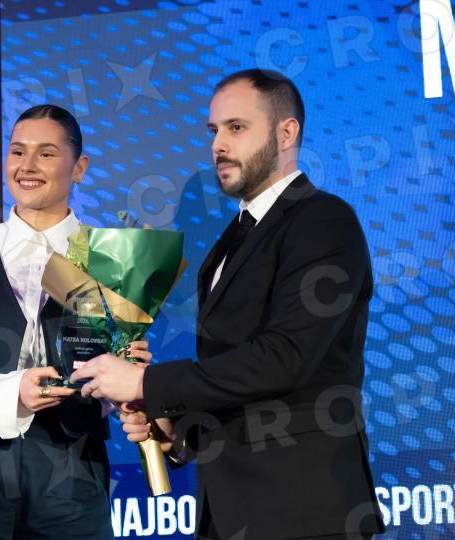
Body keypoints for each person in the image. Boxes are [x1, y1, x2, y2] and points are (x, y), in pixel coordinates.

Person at [71, 69, 386, 539]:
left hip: (303, 511)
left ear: (286, 133)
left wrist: (146, 381)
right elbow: (235, 377)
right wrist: (176, 430)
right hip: (229, 511)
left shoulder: (323, 220)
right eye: (213, 130)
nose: (218, 144)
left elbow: (284, 358)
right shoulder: (229, 242)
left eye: (236, 127)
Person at [0, 104, 150, 539]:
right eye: (18, 151)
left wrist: (129, 375)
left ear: (79, 168)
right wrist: (11, 392)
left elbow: (114, 390)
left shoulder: (110, 261)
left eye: (46, 153)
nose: (28, 166)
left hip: (70, 471)